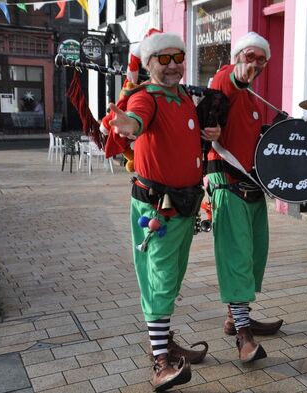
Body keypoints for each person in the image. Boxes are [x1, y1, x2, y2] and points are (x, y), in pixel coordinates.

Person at [106, 31, 221, 391]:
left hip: (184, 202)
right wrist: (129, 125)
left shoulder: (182, 95)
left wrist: (209, 134)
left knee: (171, 275)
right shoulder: (147, 98)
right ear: (150, 63)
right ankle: (160, 362)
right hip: (159, 206)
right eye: (163, 59)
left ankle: (165, 342)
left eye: (177, 58)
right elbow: (136, 120)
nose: (172, 66)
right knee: (160, 278)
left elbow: (182, 135)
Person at [206, 31, 283, 363]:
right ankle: (243, 335)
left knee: (253, 256)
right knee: (237, 258)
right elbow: (226, 84)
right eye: (248, 56)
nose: (253, 63)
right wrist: (237, 76)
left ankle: (234, 316)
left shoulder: (252, 98)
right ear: (236, 57)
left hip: (252, 186)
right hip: (228, 182)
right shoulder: (227, 79)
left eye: (260, 59)